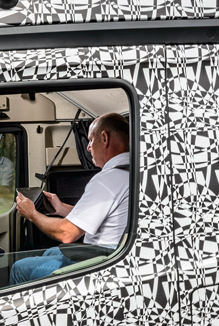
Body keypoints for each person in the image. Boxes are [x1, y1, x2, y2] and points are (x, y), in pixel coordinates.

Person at [9, 113, 130, 285]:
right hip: (112, 254)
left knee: (19, 268)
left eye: (90, 140)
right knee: (50, 252)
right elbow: (106, 216)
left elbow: (67, 234)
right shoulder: (131, 173)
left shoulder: (107, 179)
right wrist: (61, 209)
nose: (88, 147)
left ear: (104, 138)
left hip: (101, 263)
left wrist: (32, 214)